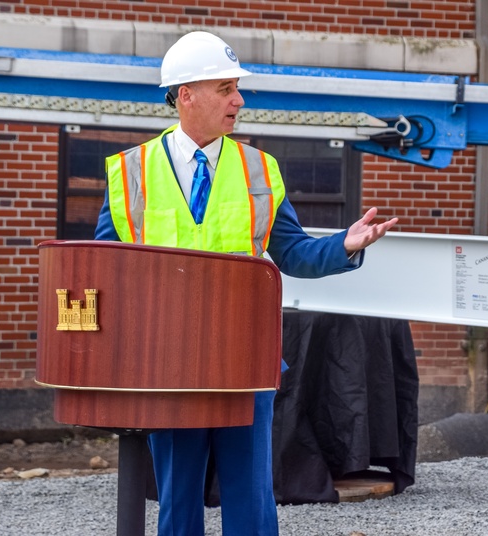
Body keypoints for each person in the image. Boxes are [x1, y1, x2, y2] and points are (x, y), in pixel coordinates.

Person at [93, 31, 398, 536]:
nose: (238, 100)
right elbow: (105, 268)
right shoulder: (130, 173)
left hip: (244, 357)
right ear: (185, 94)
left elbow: (293, 252)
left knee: (250, 498)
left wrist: (344, 245)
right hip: (167, 363)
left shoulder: (260, 169)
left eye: (238, 88)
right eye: (225, 87)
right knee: (178, 497)